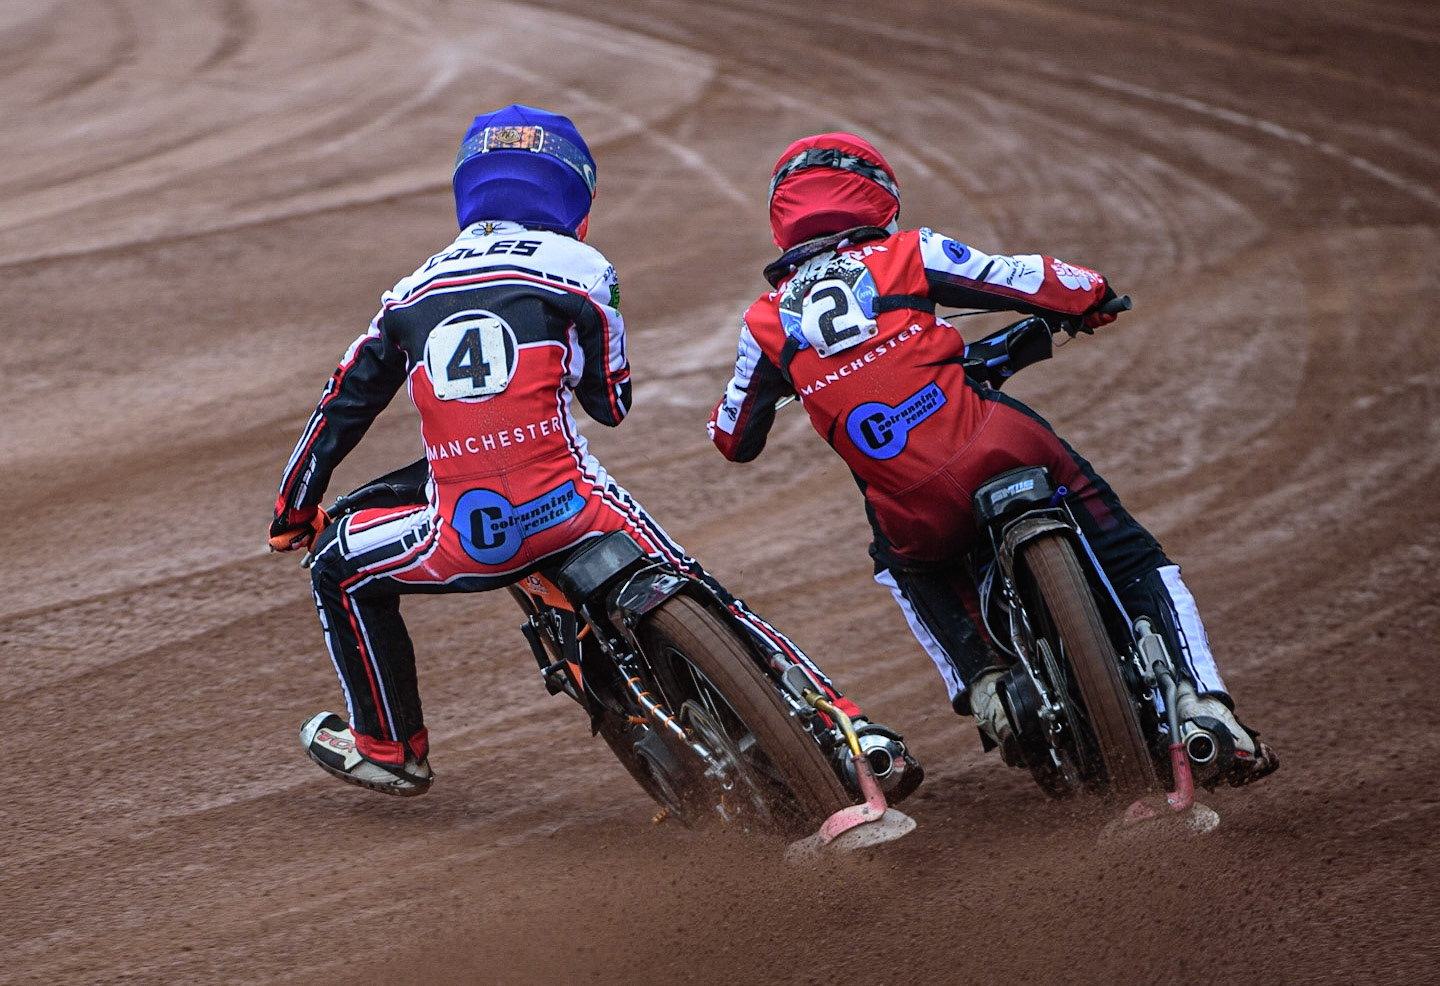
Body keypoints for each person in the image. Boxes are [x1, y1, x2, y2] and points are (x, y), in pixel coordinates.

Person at [269, 107, 918, 799]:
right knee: (701, 585)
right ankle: (849, 728)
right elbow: (609, 402)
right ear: (572, 193)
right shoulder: (582, 266)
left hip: (461, 533)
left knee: (338, 565)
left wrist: (292, 512)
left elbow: (339, 408)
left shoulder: (407, 292)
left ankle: (390, 747)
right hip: (575, 507)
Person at [708, 132, 1277, 789]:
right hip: (993, 443)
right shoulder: (906, 253)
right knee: (1130, 552)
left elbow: (731, 438)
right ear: (878, 198)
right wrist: (1091, 295)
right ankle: (1204, 706)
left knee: (901, 564)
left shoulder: (764, 320)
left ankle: (984, 684)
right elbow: (1025, 279)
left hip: (912, 508)